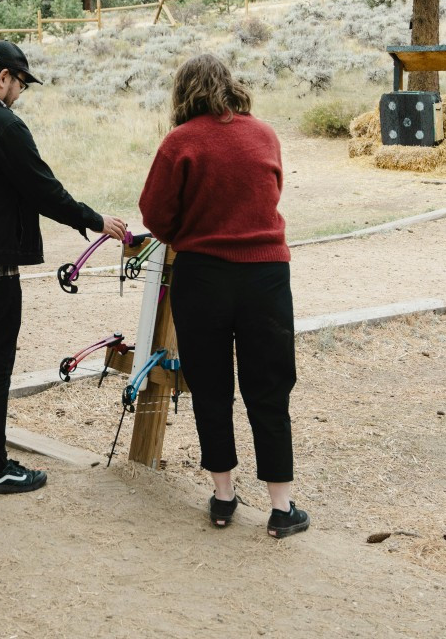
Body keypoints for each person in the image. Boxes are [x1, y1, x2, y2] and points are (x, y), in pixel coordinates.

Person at [0, 40, 126, 495]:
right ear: (4, 77)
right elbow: (42, 190)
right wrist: (95, 220)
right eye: (20, 83)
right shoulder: (4, 125)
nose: (20, 93)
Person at [137, 53, 307, 539]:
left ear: (183, 92)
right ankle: (281, 506)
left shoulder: (180, 142)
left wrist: (185, 232)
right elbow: (270, 190)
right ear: (229, 84)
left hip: (203, 275)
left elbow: (154, 213)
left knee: (211, 387)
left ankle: (223, 497)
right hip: (266, 274)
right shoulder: (264, 133)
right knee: (270, 388)